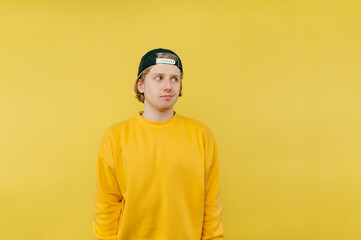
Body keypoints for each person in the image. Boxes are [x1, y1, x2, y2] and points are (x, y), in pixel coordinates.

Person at [93, 48, 223, 239]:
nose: (168, 86)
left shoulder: (201, 135)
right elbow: (106, 206)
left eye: (174, 78)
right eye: (159, 77)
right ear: (141, 85)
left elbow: (211, 204)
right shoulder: (115, 137)